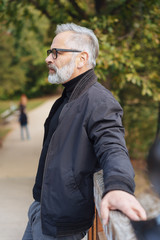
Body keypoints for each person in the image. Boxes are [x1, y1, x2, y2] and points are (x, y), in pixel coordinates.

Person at [22, 23, 147, 240]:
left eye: (56, 53)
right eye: (49, 52)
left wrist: (118, 187)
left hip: (61, 225)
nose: (48, 59)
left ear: (81, 59)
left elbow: (113, 148)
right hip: (40, 211)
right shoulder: (68, 97)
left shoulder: (99, 101)